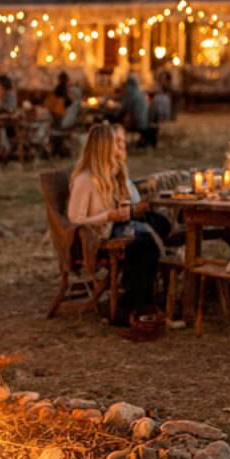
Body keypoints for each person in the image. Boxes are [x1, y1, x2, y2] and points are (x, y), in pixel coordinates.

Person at [68, 122, 160, 325]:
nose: (118, 148)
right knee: (141, 246)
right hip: (96, 238)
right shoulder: (85, 181)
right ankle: (129, 310)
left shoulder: (112, 175)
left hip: (115, 229)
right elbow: (75, 221)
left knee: (150, 241)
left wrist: (125, 210)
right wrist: (109, 216)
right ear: (103, 147)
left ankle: (139, 306)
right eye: (113, 143)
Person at [112, 72, 149, 140]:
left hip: (137, 125)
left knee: (114, 120)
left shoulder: (131, 94)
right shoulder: (141, 93)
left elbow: (122, 111)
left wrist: (114, 115)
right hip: (144, 124)